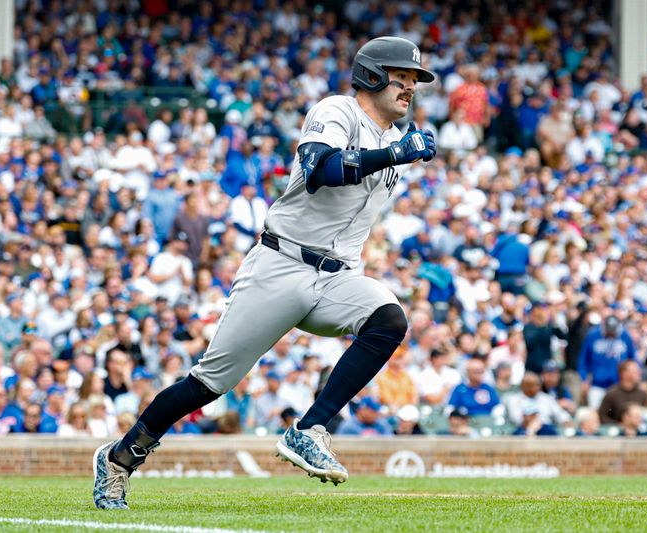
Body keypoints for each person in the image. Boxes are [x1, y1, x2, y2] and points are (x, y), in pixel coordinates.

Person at [92, 35, 437, 508]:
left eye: (415, 80)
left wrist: (396, 150)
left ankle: (310, 429)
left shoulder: (396, 136)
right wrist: (392, 155)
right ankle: (119, 458)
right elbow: (320, 169)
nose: (410, 87)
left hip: (337, 274)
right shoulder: (337, 110)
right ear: (372, 74)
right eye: (402, 76)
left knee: (390, 319)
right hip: (282, 263)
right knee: (207, 385)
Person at [597, 360, 647, 424]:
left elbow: (646, 414)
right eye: (635, 371)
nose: (639, 373)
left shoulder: (641, 393)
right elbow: (602, 416)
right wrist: (618, 426)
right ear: (624, 374)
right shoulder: (612, 393)